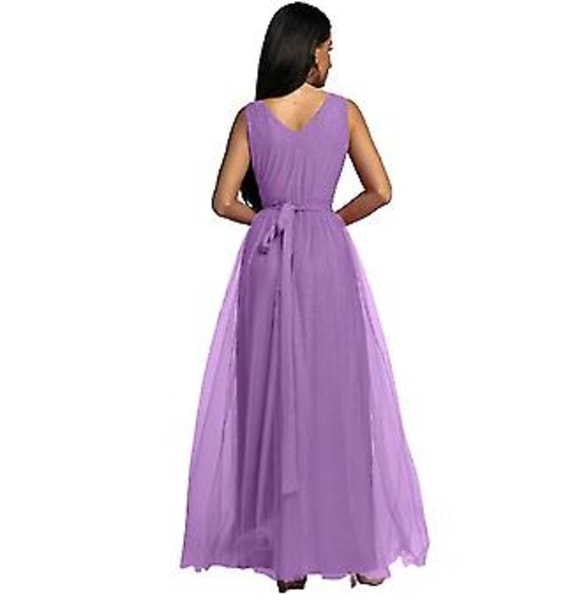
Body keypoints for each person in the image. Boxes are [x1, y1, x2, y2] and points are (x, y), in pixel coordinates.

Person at [180, 2, 430, 592]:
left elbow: (222, 202)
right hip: (325, 258)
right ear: (307, 49)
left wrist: (274, 220)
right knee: (338, 396)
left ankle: (287, 558)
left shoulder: (251, 117)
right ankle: (359, 551)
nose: (331, 60)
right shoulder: (344, 112)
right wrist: (326, 221)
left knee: (271, 397)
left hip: (268, 259)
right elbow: (381, 190)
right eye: (328, 48)